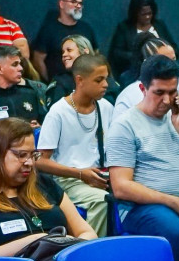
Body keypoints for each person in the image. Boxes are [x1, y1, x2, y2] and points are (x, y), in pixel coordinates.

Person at [108, 56, 179, 261]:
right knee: (175, 234)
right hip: (143, 207)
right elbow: (121, 187)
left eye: (172, 92)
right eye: (159, 93)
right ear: (143, 89)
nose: (167, 100)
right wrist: (175, 202)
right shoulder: (124, 125)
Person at [0, 117, 97, 259]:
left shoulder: (45, 185)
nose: (29, 163)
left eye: (33, 155)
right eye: (21, 155)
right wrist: (35, 242)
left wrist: (65, 247)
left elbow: (87, 233)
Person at [35, 53, 118, 236]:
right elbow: (40, 161)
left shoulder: (106, 107)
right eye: (99, 80)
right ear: (80, 80)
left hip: (100, 176)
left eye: (106, 79)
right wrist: (80, 173)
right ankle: (88, 253)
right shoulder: (58, 112)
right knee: (102, 200)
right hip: (68, 180)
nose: (106, 84)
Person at [106, 0, 175, 81]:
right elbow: (117, 53)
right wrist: (140, 56)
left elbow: (175, 48)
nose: (147, 17)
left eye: (149, 13)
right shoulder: (124, 28)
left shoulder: (159, 25)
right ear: (135, 13)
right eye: (143, 14)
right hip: (134, 73)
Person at [35, 0, 97, 81]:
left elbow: (95, 55)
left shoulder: (86, 28)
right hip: (58, 83)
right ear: (62, 4)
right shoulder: (48, 29)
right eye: (74, 2)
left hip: (85, 82)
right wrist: (48, 82)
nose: (78, 6)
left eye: (80, 3)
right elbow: (38, 59)